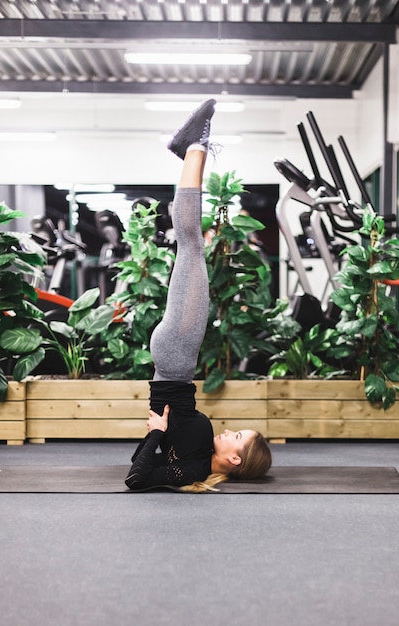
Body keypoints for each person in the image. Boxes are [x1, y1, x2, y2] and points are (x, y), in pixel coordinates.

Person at [125, 99, 272, 492]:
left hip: (176, 353)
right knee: (190, 243)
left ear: (235, 459)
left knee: (189, 244)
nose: (230, 431)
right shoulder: (197, 455)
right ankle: (193, 151)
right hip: (176, 359)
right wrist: (158, 433)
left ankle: (195, 146)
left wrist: (157, 431)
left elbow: (136, 476)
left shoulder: (193, 467)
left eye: (237, 437)